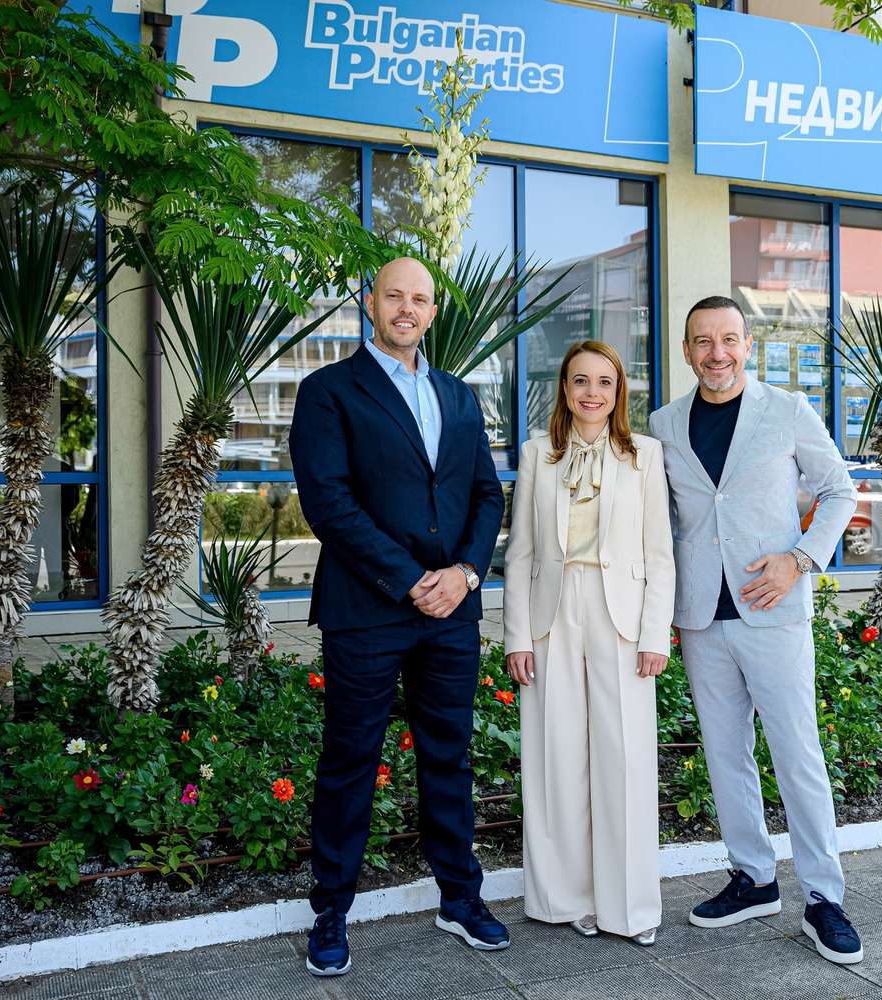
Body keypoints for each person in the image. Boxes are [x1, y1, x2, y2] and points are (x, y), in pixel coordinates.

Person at [289, 257, 509, 977]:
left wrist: (466, 573)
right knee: (350, 758)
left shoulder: (459, 394)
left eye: (419, 299)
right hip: (367, 609)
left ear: (433, 312)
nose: (406, 308)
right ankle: (331, 910)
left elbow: (486, 495)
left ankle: (460, 898)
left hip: (452, 609)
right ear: (369, 301)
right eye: (394, 296)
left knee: (450, 755)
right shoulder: (328, 391)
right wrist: (412, 580)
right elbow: (329, 504)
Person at [647, 296, 863, 965]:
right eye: (703, 341)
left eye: (729, 339)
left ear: (748, 345)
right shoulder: (663, 424)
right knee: (725, 753)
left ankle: (824, 898)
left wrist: (800, 559)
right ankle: (754, 878)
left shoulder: (788, 410)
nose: (717, 353)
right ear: (687, 350)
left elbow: (840, 491)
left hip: (774, 610)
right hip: (701, 616)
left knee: (797, 755)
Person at [503, 340, 675, 946]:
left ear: (619, 390)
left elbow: (660, 552)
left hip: (621, 617)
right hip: (551, 614)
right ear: (565, 389)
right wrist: (517, 636)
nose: (592, 393)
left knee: (625, 757)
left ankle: (630, 908)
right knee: (555, 756)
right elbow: (519, 553)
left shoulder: (644, 455)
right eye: (581, 381)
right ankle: (563, 898)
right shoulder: (537, 454)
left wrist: (655, 633)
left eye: (605, 382)